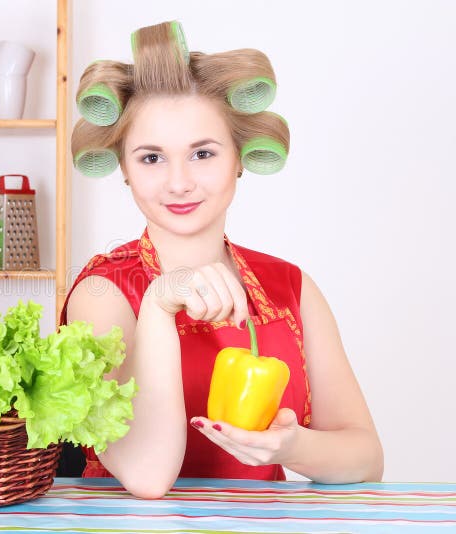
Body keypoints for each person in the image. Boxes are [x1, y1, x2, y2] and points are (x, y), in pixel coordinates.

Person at [59, 20, 383, 499]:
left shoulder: (289, 287)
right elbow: (147, 476)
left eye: (203, 153)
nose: (179, 182)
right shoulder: (102, 292)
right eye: (151, 158)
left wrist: (292, 448)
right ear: (124, 169)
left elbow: (366, 458)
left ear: (239, 158)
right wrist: (159, 302)